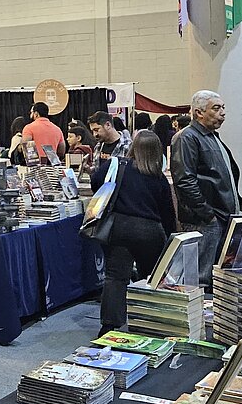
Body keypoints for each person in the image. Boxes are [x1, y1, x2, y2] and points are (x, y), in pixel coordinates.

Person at [91, 130, 175, 335]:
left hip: (119, 227)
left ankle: (109, 326)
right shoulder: (159, 178)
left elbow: (96, 182)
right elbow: (168, 214)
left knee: (115, 277)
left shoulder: (118, 165)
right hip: (150, 231)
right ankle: (148, 321)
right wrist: (170, 239)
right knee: (150, 277)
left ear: (133, 147)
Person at [170, 90, 241, 288]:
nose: (222, 112)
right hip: (206, 222)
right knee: (200, 280)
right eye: (216, 108)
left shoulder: (211, 137)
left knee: (218, 278)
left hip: (220, 218)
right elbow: (184, 180)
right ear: (199, 113)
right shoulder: (187, 137)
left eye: (223, 107)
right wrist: (207, 214)